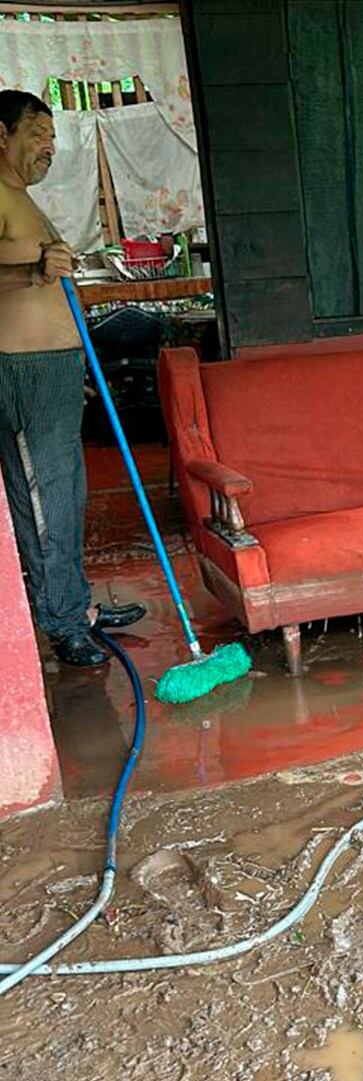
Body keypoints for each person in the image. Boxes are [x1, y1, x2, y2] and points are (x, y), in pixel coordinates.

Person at [0, 89, 144, 667]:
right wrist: (33, 269)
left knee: (66, 494)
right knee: (42, 498)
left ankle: (74, 603)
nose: (49, 147)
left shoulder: (20, 199)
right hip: (22, 371)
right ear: (1, 134)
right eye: (36, 132)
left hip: (53, 372)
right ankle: (61, 620)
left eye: (52, 136)